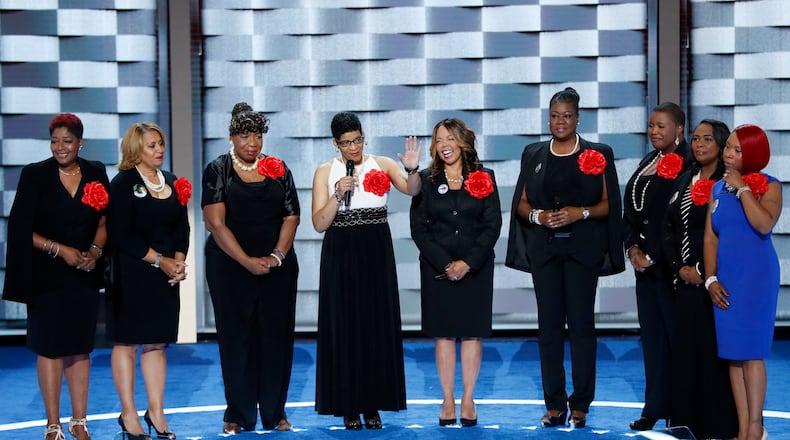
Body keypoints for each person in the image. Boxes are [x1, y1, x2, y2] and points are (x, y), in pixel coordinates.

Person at [506, 87, 624, 429]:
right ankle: (555, 405)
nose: (561, 121)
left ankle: (581, 404)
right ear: (549, 118)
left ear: (578, 118)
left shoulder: (598, 154)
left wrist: (579, 213)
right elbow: (522, 203)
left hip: (582, 252)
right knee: (549, 330)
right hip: (545, 252)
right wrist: (538, 218)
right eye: (555, 115)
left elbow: (608, 204)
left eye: (567, 115)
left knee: (582, 328)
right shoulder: (534, 153)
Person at [2, 113, 109, 440]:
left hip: (83, 276)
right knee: (49, 348)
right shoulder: (35, 175)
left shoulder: (96, 172)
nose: (60, 148)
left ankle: (79, 422)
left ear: (80, 142)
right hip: (45, 276)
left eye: (67, 141)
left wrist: (94, 252)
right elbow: (20, 230)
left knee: (79, 348)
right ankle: (53, 424)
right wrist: (57, 249)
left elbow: (105, 223)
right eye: (54, 141)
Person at [311, 111, 421, 430]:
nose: (354, 147)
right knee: (344, 328)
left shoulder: (383, 163)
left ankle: (373, 403)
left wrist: (412, 168)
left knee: (375, 325)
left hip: (375, 248)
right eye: (347, 143)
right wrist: (337, 193)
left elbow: (412, 189)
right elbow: (319, 224)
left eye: (358, 139)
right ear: (336, 144)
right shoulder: (325, 172)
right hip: (341, 250)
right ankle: (349, 405)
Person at [202, 102, 300, 434]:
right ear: (232, 137)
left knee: (275, 338)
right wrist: (246, 261)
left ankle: (275, 413)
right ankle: (238, 415)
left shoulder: (278, 168)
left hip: (278, 266)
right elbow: (215, 224)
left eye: (257, 135)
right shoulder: (217, 170)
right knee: (236, 339)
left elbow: (292, 216)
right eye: (245, 136)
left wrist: (276, 256)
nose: (252, 143)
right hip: (230, 266)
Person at [409, 118, 501, 427]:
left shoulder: (484, 177)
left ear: (463, 142)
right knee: (444, 334)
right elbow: (419, 228)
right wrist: (446, 264)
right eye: (438, 140)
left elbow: (492, 225)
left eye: (450, 138)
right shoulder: (426, 179)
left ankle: (468, 399)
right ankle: (447, 399)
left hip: (476, 268)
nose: (444, 145)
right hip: (439, 269)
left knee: (472, 333)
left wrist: (468, 262)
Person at [108, 122, 190, 440]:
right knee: (127, 343)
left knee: (156, 344)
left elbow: (181, 228)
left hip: (166, 277)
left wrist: (179, 261)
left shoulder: (171, 182)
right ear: (135, 150)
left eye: (160, 144)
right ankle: (128, 414)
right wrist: (161, 261)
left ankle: (156, 412)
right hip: (132, 274)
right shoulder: (123, 183)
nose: (159, 150)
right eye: (151, 146)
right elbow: (122, 235)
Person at [704, 124, 780, 440]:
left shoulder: (770, 187)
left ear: (753, 155)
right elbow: (710, 238)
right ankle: (742, 427)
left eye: (737, 150)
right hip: (727, 278)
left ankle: (755, 428)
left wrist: (743, 189)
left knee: (752, 353)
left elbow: (763, 224)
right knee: (734, 355)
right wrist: (710, 279)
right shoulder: (716, 189)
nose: (729, 154)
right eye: (728, 148)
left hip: (757, 278)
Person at [663, 119, 738, 439]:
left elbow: (733, 235)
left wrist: (705, 273)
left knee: (715, 354)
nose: (699, 144)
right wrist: (679, 266)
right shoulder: (684, 180)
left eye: (707, 139)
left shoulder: (731, 183)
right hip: (684, 282)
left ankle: (718, 423)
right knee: (686, 352)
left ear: (721, 145)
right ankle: (685, 420)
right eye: (695, 138)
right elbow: (668, 229)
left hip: (718, 282)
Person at [623, 102, 689, 431]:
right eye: (651, 125)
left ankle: (680, 410)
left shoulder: (688, 164)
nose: (654, 132)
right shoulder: (649, 161)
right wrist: (632, 247)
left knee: (677, 339)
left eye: (662, 126)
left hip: (671, 268)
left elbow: (678, 220)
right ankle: (654, 406)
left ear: (679, 129)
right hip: (644, 269)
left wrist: (656, 255)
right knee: (652, 340)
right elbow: (633, 212)